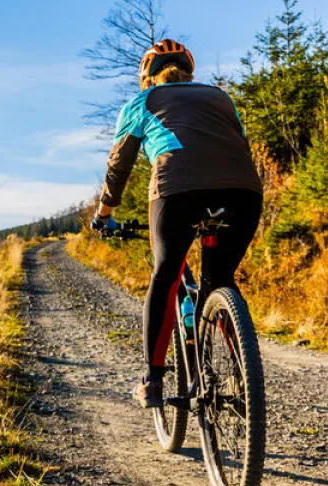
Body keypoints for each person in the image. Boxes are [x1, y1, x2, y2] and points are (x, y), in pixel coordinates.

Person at [90, 39, 263, 409]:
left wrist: (104, 214)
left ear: (148, 77)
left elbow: (118, 167)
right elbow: (240, 143)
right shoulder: (221, 97)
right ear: (188, 71)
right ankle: (242, 372)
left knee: (166, 275)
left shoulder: (142, 102)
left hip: (178, 191)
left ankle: (152, 380)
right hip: (243, 192)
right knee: (221, 279)